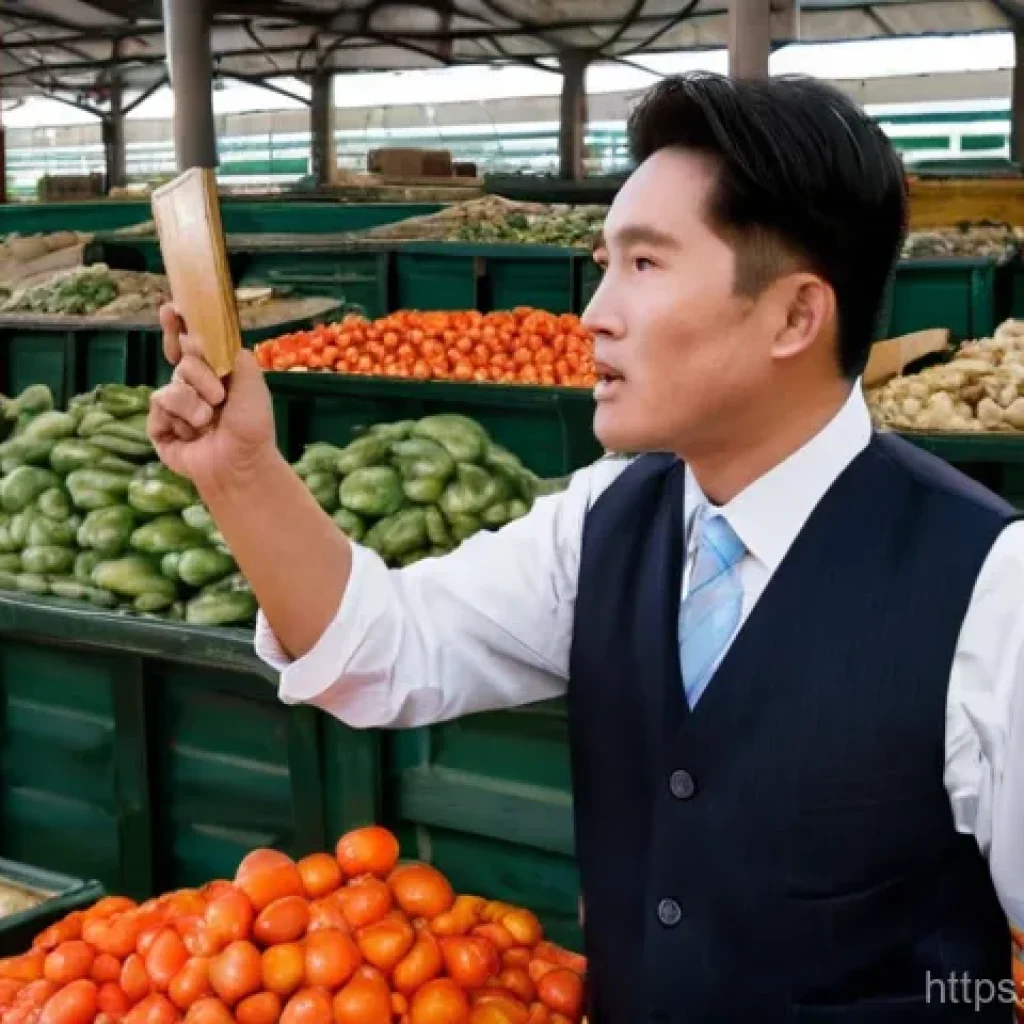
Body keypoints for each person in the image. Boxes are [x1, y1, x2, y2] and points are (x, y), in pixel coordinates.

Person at [148, 72, 1024, 1022]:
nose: (594, 314)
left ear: (795, 317)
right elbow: (381, 648)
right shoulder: (604, 521)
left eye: (644, 264)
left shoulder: (990, 591)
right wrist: (241, 474)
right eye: (606, 263)